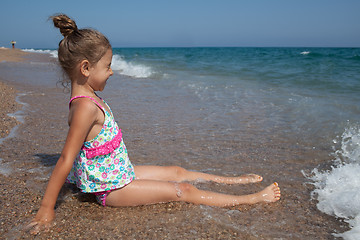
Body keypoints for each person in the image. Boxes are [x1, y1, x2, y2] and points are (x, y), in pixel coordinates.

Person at [28, 14, 281, 234]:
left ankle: (233, 181)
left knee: (176, 171)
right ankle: (254, 198)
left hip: (119, 172)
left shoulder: (89, 98)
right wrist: (46, 209)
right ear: (85, 68)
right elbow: (65, 159)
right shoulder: (84, 107)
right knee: (182, 189)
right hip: (112, 189)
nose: (112, 72)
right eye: (107, 66)